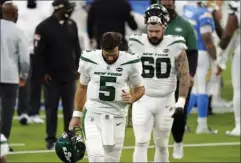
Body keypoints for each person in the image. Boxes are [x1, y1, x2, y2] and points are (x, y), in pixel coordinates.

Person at [69, 32, 145, 162]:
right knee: (96, 157)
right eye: (107, 55)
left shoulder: (130, 61)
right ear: (101, 48)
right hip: (94, 114)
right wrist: (76, 115)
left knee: (111, 160)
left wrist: (132, 98)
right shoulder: (90, 58)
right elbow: (82, 87)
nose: (110, 58)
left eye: (113, 54)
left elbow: (140, 88)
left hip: (117, 116)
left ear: (119, 48)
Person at [128, 4, 190, 162]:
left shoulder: (176, 44)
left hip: (166, 100)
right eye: (150, 31)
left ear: (165, 27)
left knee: (162, 144)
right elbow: (125, 72)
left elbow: (184, 75)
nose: (153, 34)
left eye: (157, 31)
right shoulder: (136, 42)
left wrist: (181, 102)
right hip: (143, 99)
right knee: (141, 142)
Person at [34, 0, 81, 150]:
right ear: (59, 9)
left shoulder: (72, 25)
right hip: (51, 77)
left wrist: (79, 68)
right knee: (51, 108)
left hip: (68, 75)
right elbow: (38, 54)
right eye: (67, 9)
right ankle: (51, 139)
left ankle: (69, 138)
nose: (70, 11)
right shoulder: (43, 27)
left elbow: (77, 48)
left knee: (70, 109)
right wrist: (43, 73)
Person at [159, 0, 198, 159]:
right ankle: (161, 147)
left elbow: (193, 52)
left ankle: (178, 142)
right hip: (159, 78)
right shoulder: (153, 25)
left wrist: (191, 74)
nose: (167, 2)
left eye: (170, 0)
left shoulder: (185, 26)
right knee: (158, 115)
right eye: (164, 0)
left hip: (180, 77)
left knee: (179, 113)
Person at [183, 1, 218, 134]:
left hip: (189, 52)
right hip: (202, 53)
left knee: (194, 89)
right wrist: (215, 59)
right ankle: (202, 125)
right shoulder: (204, 14)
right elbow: (207, 37)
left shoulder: (187, 10)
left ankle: (183, 122)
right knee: (203, 88)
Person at [0, 1, 29, 151]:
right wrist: (24, 75)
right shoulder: (18, 31)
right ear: (15, 14)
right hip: (10, 76)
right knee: (7, 111)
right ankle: (2, 144)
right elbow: (24, 58)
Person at [216, 0, 240, 136]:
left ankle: (239, 125)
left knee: (238, 89)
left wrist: (220, 59)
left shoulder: (236, 7)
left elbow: (227, 35)